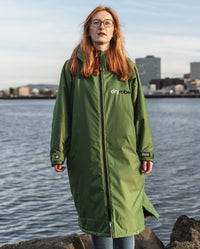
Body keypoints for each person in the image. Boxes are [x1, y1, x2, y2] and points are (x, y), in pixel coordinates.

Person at [50, 6, 159, 249]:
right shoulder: (72, 69)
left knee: (126, 216)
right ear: (88, 29)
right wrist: (58, 150)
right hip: (86, 156)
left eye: (107, 23)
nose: (102, 27)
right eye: (96, 22)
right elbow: (62, 113)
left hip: (125, 156)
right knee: (97, 215)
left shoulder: (127, 68)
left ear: (114, 31)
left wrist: (146, 151)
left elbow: (140, 114)